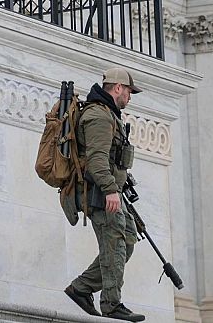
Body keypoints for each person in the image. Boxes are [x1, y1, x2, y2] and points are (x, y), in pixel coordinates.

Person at [63, 67, 145, 322]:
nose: (130, 97)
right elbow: (97, 162)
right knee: (114, 246)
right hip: (100, 194)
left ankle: (81, 288)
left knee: (126, 243)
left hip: (111, 192)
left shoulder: (108, 114)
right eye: (129, 91)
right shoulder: (99, 116)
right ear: (118, 88)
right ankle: (111, 304)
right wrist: (110, 189)